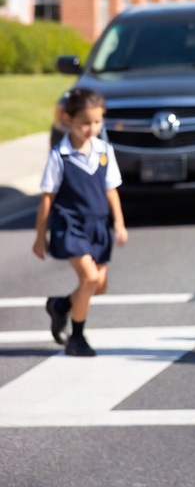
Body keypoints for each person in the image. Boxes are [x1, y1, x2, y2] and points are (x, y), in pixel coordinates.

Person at [33, 88, 128, 357]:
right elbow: (48, 199)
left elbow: (111, 190)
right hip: (70, 225)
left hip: (98, 226)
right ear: (68, 119)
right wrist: (41, 236)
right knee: (89, 279)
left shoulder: (104, 152)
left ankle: (62, 306)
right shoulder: (59, 156)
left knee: (99, 286)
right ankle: (77, 338)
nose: (91, 128)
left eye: (97, 122)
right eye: (85, 122)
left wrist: (119, 224)